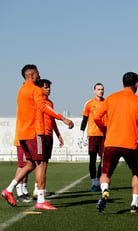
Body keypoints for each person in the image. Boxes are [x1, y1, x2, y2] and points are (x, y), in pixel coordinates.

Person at [2, 64, 73, 210]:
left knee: (30, 164)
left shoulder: (21, 90)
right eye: (38, 74)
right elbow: (43, 107)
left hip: (23, 134)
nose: (39, 77)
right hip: (35, 133)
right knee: (41, 163)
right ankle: (40, 199)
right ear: (32, 76)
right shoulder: (35, 90)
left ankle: (8, 190)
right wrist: (63, 118)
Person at [94, 72, 138, 213]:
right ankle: (134, 204)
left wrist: (105, 128)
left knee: (105, 174)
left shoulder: (110, 98)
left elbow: (96, 117)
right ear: (136, 84)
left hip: (111, 143)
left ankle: (105, 190)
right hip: (130, 144)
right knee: (137, 174)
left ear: (122, 83)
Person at [32, 79, 64, 198]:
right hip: (40, 133)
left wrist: (58, 135)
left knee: (45, 163)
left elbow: (52, 120)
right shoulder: (38, 100)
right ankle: (37, 188)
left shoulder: (50, 102)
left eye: (49, 87)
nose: (48, 89)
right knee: (40, 163)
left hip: (48, 134)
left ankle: (41, 188)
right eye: (46, 87)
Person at [80, 83, 106, 192]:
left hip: (104, 135)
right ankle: (94, 182)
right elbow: (85, 119)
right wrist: (81, 135)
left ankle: (100, 180)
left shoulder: (107, 103)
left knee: (104, 159)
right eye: (98, 89)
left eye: (102, 89)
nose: (101, 91)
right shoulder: (89, 104)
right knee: (92, 159)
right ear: (94, 91)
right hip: (92, 135)